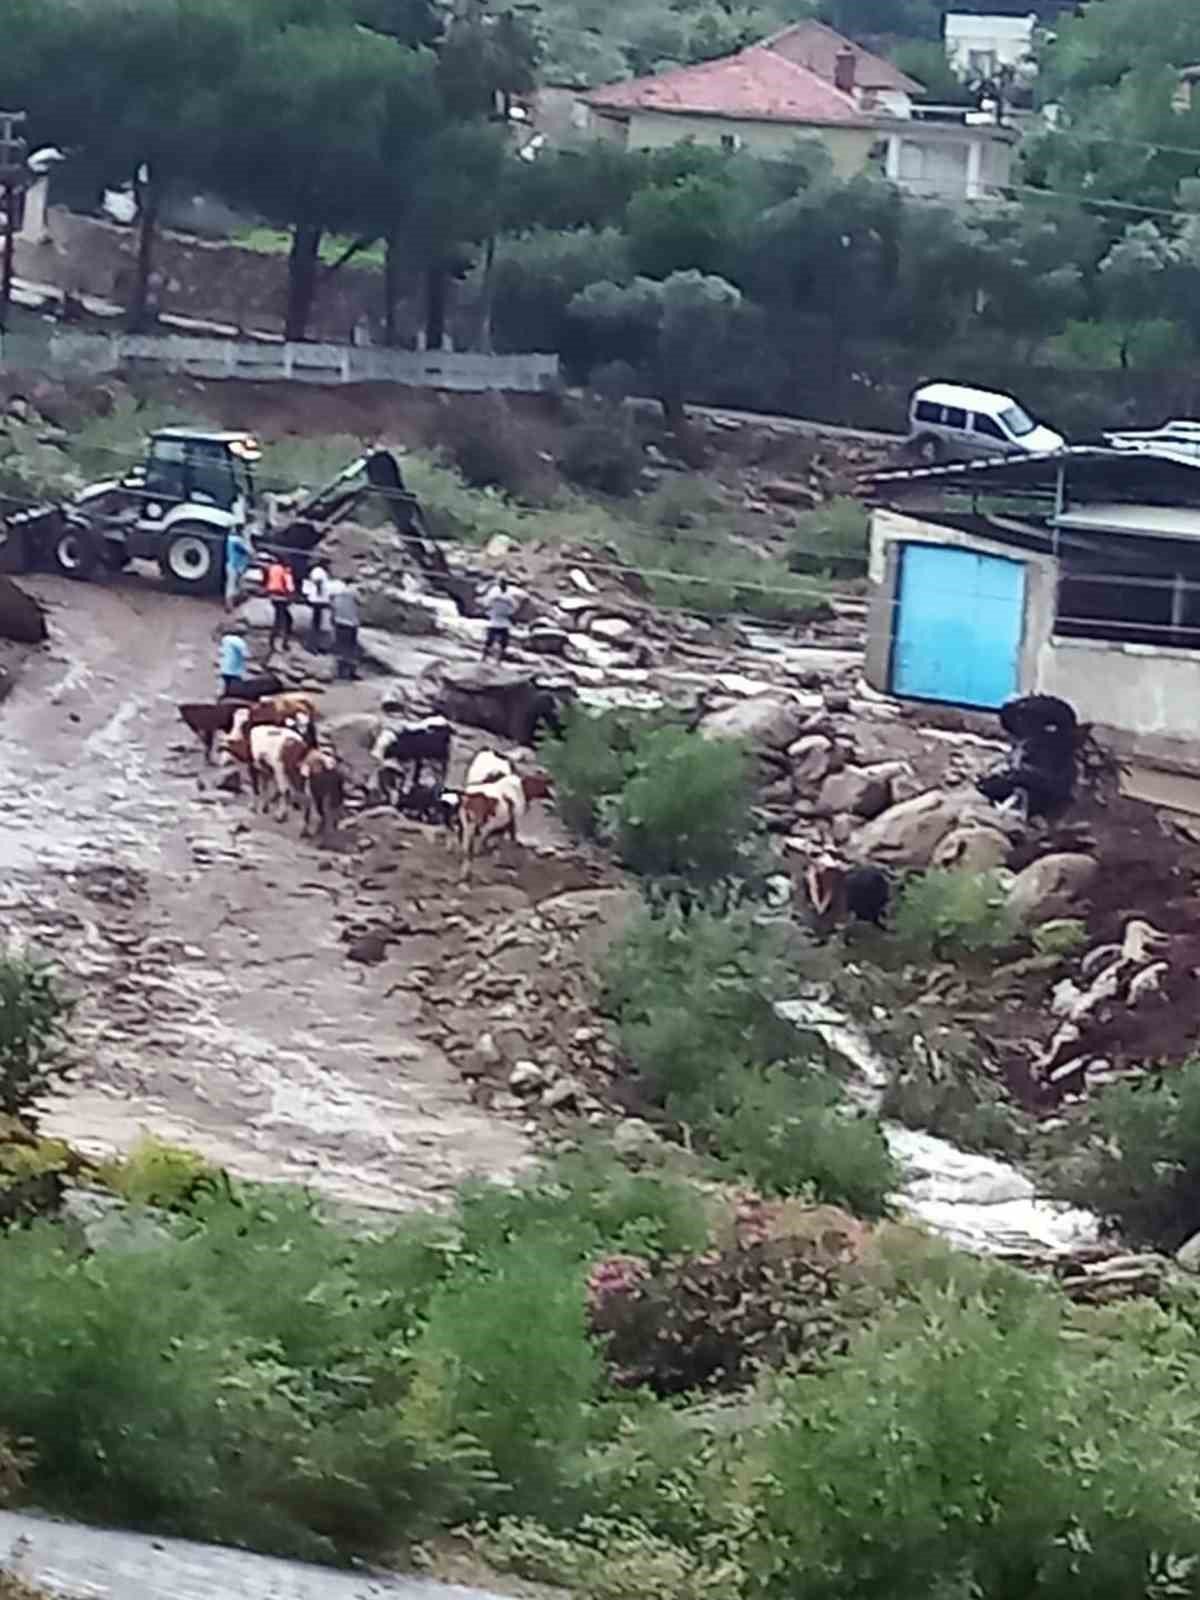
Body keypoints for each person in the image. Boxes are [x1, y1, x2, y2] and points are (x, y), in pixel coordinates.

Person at [330, 578, 360, 681]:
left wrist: (333, 618)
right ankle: (351, 673)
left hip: (339, 622)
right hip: (351, 623)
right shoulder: (354, 592)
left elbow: (333, 607)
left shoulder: (337, 593)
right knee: (351, 649)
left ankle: (339, 672)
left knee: (340, 647)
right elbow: (362, 602)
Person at [264, 554, 296, 652]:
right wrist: (292, 596)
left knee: (281, 619)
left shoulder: (272, 568)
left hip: (273, 596)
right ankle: (280, 643)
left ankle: (274, 641)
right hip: (282, 597)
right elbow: (289, 585)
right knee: (284, 621)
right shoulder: (285, 571)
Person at [482, 576, 517, 663]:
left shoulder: (494, 594)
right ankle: (493, 659)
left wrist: (489, 612)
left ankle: (486, 657)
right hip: (500, 621)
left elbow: (486, 604)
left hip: (497, 621)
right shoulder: (508, 597)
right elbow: (514, 608)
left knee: (492, 641)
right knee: (498, 642)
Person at [303, 559, 331, 649]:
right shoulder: (318, 571)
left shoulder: (319, 571)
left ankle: (314, 644)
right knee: (316, 623)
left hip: (318, 599)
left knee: (317, 623)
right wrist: (320, 595)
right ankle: (311, 644)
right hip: (317, 600)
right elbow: (318, 582)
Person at [224, 526, 252, 613]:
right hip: (235, 566)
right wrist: (248, 538)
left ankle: (232, 603)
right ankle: (230, 605)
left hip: (233, 565)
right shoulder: (237, 541)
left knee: (233, 585)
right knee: (234, 586)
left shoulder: (231, 539)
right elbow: (250, 551)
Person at [217, 624, 248, 697]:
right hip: (234, 668)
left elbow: (221, 651)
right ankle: (232, 696)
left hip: (225, 667)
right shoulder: (239, 641)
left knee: (226, 682)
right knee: (235, 684)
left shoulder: (226, 639)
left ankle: (225, 695)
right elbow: (245, 654)